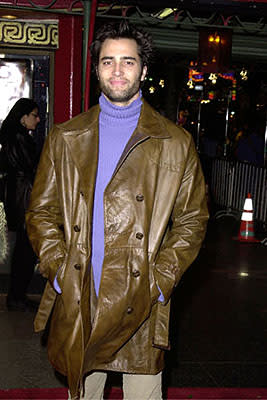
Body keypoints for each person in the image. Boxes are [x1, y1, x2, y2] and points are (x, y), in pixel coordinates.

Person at [26, 21, 209, 400]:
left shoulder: (174, 142)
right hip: (81, 296)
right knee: (84, 393)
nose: (118, 70)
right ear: (96, 70)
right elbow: (40, 213)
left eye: (128, 61)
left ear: (143, 69)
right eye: (108, 61)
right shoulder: (65, 137)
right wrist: (59, 268)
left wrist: (161, 281)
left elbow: (193, 220)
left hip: (140, 302)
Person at [0, 98, 40, 311]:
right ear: (23, 118)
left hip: (20, 196)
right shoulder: (19, 138)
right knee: (25, 249)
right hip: (25, 197)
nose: (38, 119)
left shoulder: (15, 136)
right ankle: (17, 297)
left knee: (24, 248)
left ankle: (17, 295)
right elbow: (31, 168)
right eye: (34, 115)